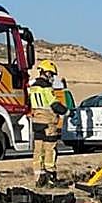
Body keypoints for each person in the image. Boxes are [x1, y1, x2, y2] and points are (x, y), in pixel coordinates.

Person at [29, 59, 68, 187]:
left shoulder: (33, 87)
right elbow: (54, 104)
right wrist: (67, 112)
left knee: (38, 150)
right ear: (47, 73)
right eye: (51, 74)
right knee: (50, 149)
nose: (52, 78)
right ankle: (51, 177)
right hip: (48, 122)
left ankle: (39, 178)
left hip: (36, 122)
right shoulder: (46, 88)